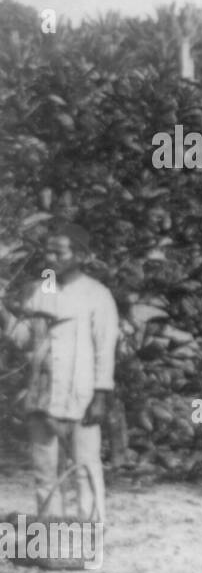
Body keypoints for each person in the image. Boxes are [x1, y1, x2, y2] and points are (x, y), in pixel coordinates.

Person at [1, 222, 118, 523]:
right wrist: (3, 314)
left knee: (84, 466)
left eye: (59, 252)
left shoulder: (97, 295)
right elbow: (26, 339)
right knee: (44, 468)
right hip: (42, 393)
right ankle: (50, 533)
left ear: (80, 255)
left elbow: (105, 350)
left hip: (81, 394)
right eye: (48, 251)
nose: (51, 258)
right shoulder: (41, 290)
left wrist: (101, 396)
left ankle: (91, 530)